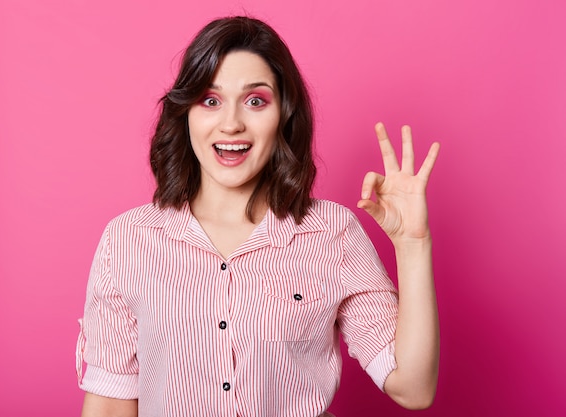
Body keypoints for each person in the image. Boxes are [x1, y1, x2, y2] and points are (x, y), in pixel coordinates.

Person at [76, 16, 440, 417]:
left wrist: (412, 244)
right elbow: (110, 402)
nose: (231, 124)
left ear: (283, 114)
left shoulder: (332, 234)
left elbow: (413, 387)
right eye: (210, 100)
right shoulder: (127, 240)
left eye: (255, 101)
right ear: (186, 114)